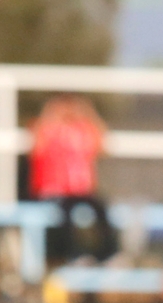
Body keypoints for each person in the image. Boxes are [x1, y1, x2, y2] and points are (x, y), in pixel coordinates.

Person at [29, 94, 117, 262]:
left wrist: (88, 112)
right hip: (54, 191)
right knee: (66, 215)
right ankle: (72, 255)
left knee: (101, 209)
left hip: (81, 191)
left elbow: (103, 145)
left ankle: (108, 254)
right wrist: (51, 113)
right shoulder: (48, 129)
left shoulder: (83, 130)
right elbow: (36, 147)